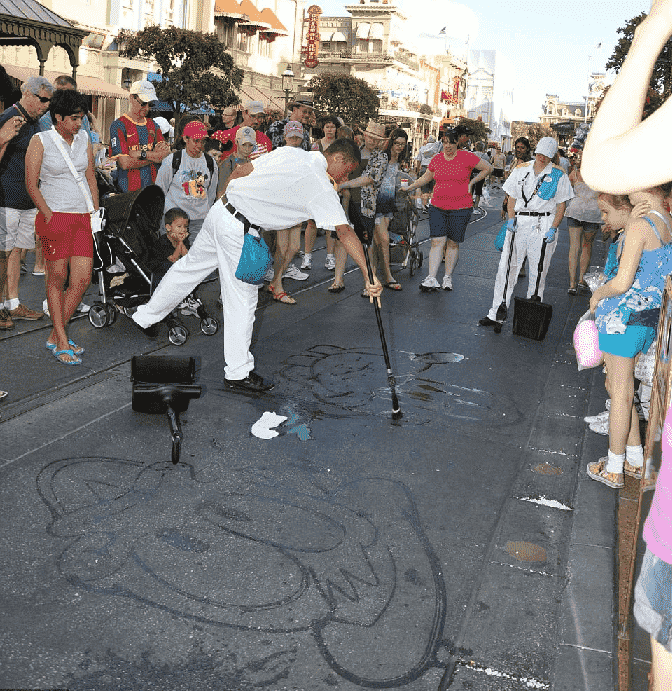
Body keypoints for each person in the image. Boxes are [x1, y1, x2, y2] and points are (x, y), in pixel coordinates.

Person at [131, 138, 383, 393]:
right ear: (338, 159)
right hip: (239, 229)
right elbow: (344, 232)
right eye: (348, 170)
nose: (344, 177)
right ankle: (238, 374)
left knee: (188, 270)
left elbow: (241, 170)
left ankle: (145, 317)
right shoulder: (320, 185)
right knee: (242, 300)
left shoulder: (291, 153)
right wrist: (368, 276)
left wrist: (223, 197)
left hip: (223, 211)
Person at [588, 186, 672, 490]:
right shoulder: (666, 222)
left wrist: (598, 294)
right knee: (623, 390)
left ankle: (614, 467)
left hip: (622, 317)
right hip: (649, 317)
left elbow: (622, 281)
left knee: (619, 393)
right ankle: (636, 460)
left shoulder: (639, 225)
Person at [25, 89, 98, 365]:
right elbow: (32, 184)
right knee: (57, 278)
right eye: (75, 118)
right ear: (58, 117)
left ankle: (56, 334)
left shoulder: (84, 140)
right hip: (54, 217)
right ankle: (61, 338)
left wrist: (94, 211)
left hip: (81, 217)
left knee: (81, 279)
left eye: (81, 118)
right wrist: (48, 214)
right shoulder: (40, 141)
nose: (80, 123)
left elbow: (90, 175)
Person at [478, 137, 573, 332]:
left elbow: (561, 205)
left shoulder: (558, 175)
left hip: (543, 222)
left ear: (552, 156)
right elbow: (512, 196)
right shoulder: (521, 170)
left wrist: (554, 227)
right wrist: (511, 218)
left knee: (538, 271)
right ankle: (496, 312)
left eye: (546, 156)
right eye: (539, 154)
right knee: (507, 266)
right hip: (520, 221)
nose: (541, 158)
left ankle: (530, 317)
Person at [402, 128, 492, 292]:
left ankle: (447, 277)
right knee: (437, 241)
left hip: (460, 208)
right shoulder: (437, 159)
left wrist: (472, 183)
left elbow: (488, 168)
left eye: (451, 142)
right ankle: (431, 278)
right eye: (445, 142)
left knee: (452, 243)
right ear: (441, 143)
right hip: (438, 206)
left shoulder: (466, 157)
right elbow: (426, 177)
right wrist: (411, 186)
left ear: (457, 142)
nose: (448, 145)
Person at [0, 75, 53, 326]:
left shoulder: (37, 123)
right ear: (28, 95)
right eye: (43, 99)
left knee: (17, 253)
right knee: (4, 252)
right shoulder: (9, 117)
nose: (46, 105)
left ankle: (12, 303)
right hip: (7, 198)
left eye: (49, 101)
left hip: (28, 199)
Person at [336, 120, 389, 297]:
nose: (373, 142)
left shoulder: (381, 157)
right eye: (371, 137)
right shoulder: (355, 153)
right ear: (365, 135)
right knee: (343, 239)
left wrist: (346, 184)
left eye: (377, 139)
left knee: (367, 244)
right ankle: (338, 279)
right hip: (348, 202)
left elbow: (370, 178)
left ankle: (371, 281)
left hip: (366, 205)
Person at [267, 121, 312, 304]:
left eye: (297, 137)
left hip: (297, 205)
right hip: (282, 204)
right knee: (282, 247)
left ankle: (275, 281)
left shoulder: (304, 156)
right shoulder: (278, 155)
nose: (294, 140)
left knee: (294, 247)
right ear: (285, 137)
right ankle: (277, 287)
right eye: (291, 136)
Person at [155, 120, 218, 242]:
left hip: (199, 222)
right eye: (196, 141)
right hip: (174, 221)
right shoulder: (172, 161)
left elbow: (211, 193)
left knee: (196, 258)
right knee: (173, 258)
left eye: (203, 141)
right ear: (186, 139)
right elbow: (160, 190)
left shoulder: (210, 163)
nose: (199, 145)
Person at [109, 80, 170, 193]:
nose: (146, 108)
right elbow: (124, 163)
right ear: (132, 98)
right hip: (128, 194)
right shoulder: (119, 125)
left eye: (150, 104)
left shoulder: (153, 125)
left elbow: (165, 155)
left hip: (153, 191)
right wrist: (154, 157)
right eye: (143, 103)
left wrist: (141, 154)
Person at [371, 128, 409, 291]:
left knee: (378, 241)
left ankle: (373, 277)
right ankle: (386, 276)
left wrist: (406, 187)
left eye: (403, 144)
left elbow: (399, 177)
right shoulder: (382, 156)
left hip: (388, 202)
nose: (399, 147)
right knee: (383, 240)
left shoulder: (400, 159)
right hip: (375, 201)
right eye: (397, 143)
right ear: (391, 142)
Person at [566, 151, 602, 295]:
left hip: (575, 210)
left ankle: (572, 284)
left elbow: (567, 190)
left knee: (574, 247)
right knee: (587, 246)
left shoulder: (574, 174)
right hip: (593, 213)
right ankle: (581, 280)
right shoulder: (599, 175)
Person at [312, 115, 340, 270]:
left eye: (333, 127)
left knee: (331, 223)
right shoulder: (316, 145)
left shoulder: (340, 145)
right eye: (327, 126)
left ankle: (330, 256)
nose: (330, 130)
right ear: (323, 129)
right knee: (312, 222)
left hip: (333, 186)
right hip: (317, 186)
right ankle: (308, 257)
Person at [415, 135, 440, 210]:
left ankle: (424, 205)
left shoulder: (422, 148)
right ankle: (431, 204)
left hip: (424, 168)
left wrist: (418, 169)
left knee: (424, 188)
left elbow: (419, 160)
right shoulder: (436, 149)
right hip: (434, 169)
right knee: (433, 187)